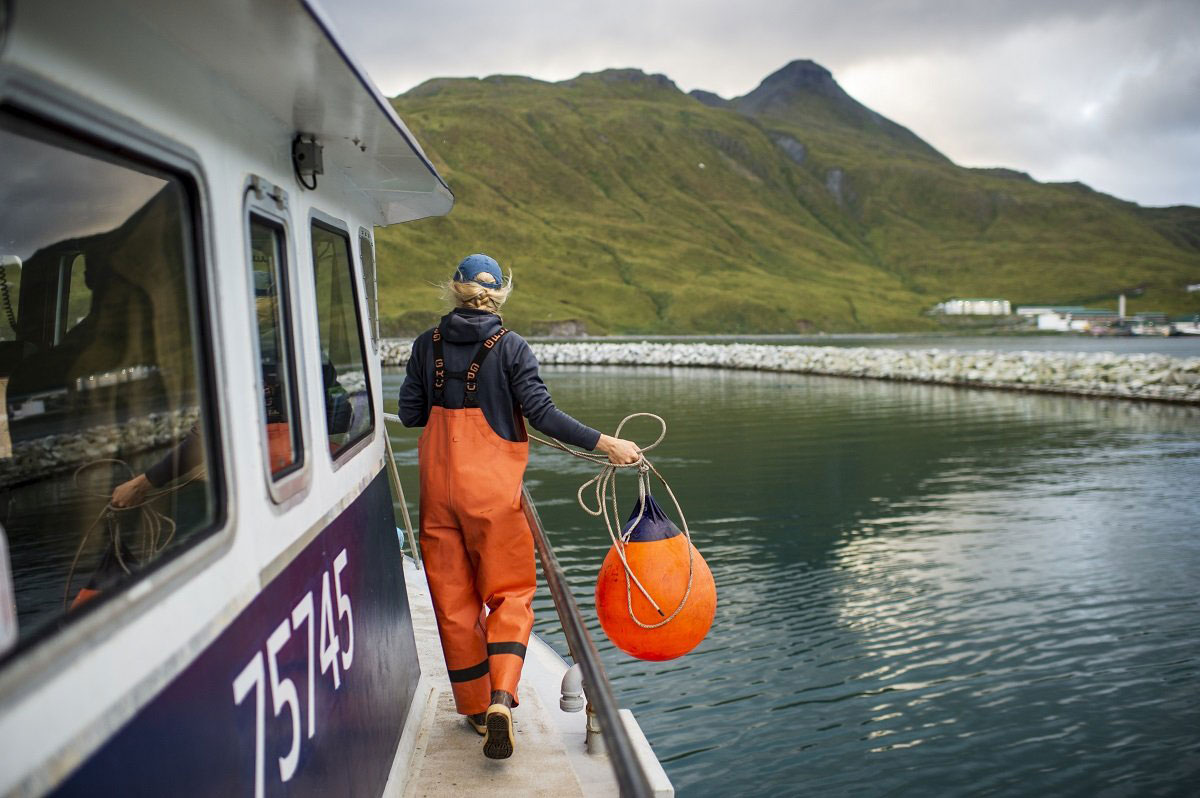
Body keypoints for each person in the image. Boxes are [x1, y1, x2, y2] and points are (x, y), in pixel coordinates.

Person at [399, 253, 640, 760]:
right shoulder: (511, 347)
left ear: (454, 289)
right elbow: (543, 415)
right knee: (509, 595)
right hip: (491, 496)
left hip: (436, 497)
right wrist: (606, 443)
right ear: (500, 294)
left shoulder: (426, 346)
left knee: (453, 605)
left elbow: (410, 413)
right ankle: (503, 699)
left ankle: (473, 707)